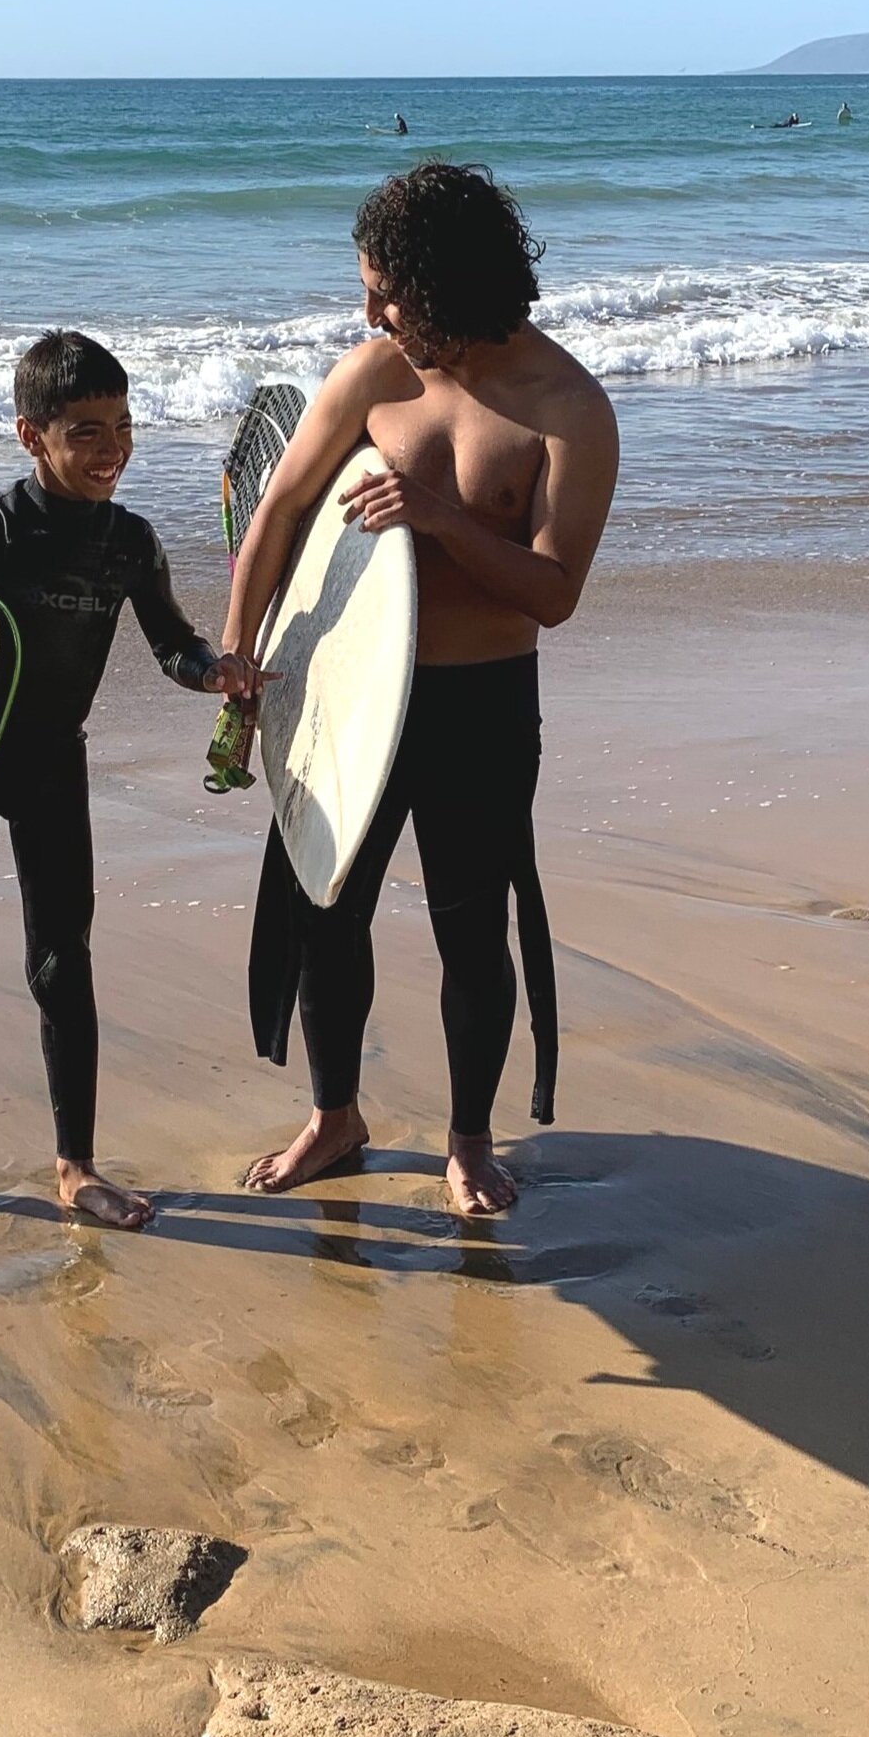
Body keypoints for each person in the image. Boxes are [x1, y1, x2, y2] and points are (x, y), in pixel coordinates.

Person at [221, 162, 618, 1217]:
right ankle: (335, 1112)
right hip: (349, 700)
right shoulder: (372, 377)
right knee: (326, 913)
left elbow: (554, 591)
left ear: (447, 284)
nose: (370, 312)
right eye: (366, 289)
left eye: (388, 293)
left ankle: (469, 1137)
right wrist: (237, 658)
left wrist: (442, 519)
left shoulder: (569, 411)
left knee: (469, 932)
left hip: (480, 703)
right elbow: (275, 514)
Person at [0, 330, 260, 1232]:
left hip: (50, 765)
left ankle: (76, 1167)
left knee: (62, 965)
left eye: (122, 425)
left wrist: (215, 672)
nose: (112, 447)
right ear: (31, 435)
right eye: (85, 430)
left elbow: (171, 645)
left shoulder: (129, 542)